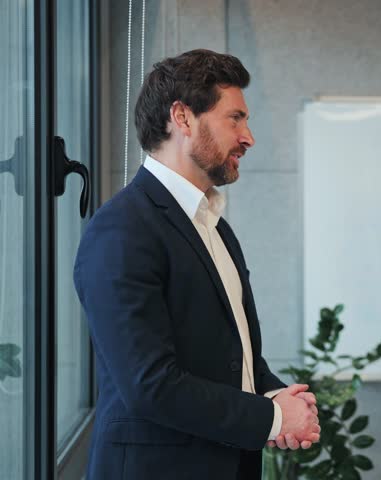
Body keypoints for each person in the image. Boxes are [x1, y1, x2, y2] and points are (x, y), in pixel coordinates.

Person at [74, 49, 319, 479]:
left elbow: (230, 356)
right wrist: (273, 418)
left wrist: (278, 394)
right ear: (182, 118)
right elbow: (149, 385)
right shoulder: (121, 229)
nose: (248, 138)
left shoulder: (215, 227)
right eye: (235, 118)